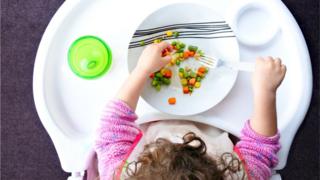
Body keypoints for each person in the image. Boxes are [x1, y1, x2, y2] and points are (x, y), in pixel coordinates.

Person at [93, 41, 286, 180]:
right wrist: (265, 91)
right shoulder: (240, 176)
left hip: (152, 124)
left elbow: (113, 123)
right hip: (217, 125)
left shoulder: (116, 173)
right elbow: (260, 149)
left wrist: (142, 70)